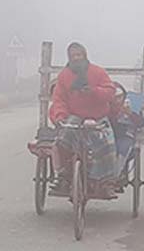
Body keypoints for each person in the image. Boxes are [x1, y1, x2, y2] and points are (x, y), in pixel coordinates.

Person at [49, 42, 117, 196]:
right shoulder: (64, 76)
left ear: (85, 55)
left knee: (107, 143)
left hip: (98, 116)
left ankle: (105, 183)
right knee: (63, 139)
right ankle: (64, 176)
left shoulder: (98, 72)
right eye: (73, 56)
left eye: (79, 55)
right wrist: (60, 117)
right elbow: (59, 99)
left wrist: (94, 91)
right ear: (69, 58)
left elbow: (110, 92)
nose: (77, 58)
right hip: (74, 117)